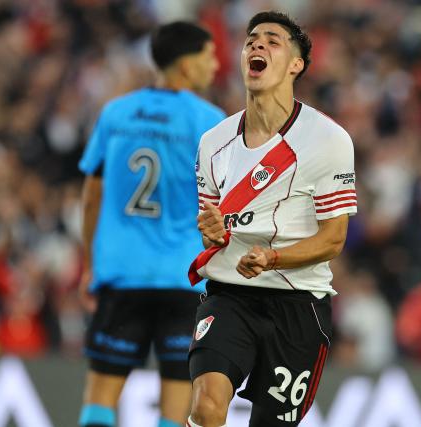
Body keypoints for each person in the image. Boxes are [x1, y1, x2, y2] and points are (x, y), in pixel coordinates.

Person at [186, 11, 357, 427]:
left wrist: (273, 258)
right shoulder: (213, 142)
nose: (257, 45)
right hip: (230, 295)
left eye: (272, 40)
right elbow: (214, 228)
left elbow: (333, 240)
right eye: (251, 40)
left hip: (298, 304)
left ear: (296, 65)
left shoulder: (328, 140)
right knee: (206, 406)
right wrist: (211, 232)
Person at [77, 21, 225, 427]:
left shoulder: (116, 113)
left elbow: (91, 197)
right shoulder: (211, 123)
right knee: (175, 409)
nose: (215, 65)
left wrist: (91, 261)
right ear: (186, 62)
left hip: (122, 274)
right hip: (183, 280)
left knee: (100, 398)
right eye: (209, 56)